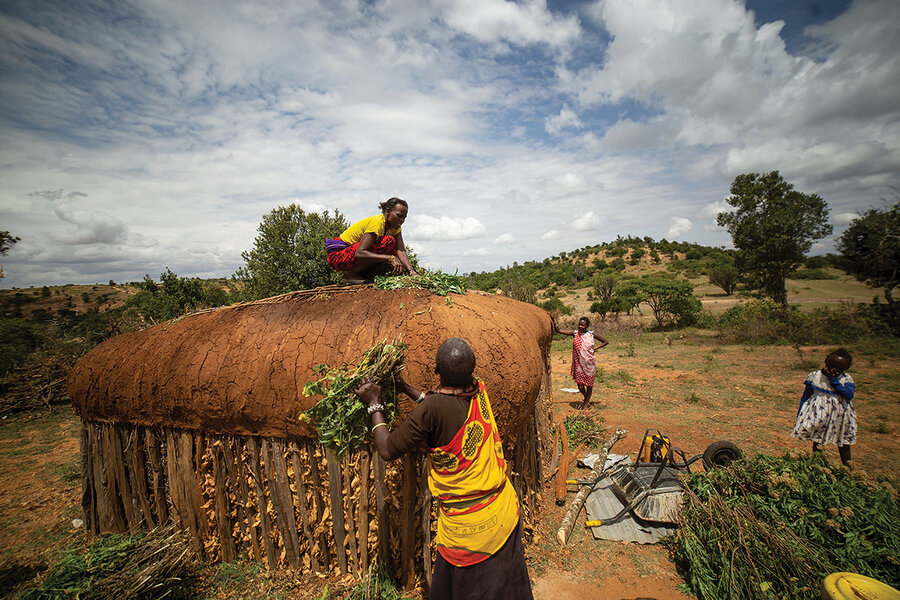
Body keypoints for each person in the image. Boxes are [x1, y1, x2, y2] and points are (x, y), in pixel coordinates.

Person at [354, 338, 533, 600]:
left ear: (437, 371)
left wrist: (374, 402)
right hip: (502, 510)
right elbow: (443, 406)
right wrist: (406, 388)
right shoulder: (478, 389)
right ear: (471, 370)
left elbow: (388, 449)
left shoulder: (432, 408)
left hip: (470, 530)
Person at [326, 197, 418, 284]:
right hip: (337, 256)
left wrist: (411, 271)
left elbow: (401, 250)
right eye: (399, 216)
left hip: (349, 255)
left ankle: (360, 273)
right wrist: (389, 258)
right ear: (387, 211)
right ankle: (350, 275)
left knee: (390, 247)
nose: (402, 220)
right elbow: (360, 252)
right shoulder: (378, 223)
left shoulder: (395, 227)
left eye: (404, 217)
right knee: (388, 242)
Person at [790, 348, 856, 468]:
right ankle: (817, 466)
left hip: (840, 415)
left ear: (845, 368)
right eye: (831, 365)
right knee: (818, 440)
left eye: (839, 368)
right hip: (820, 414)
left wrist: (835, 381)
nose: (833, 369)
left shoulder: (846, 379)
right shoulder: (815, 377)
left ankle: (848, 467)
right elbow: (806, 396)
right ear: (826, 361)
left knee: (844, 442)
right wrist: (800, 413)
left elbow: (848, 395)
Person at [553, 316, 609, 410]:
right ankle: (586, 398)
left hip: (589, 364)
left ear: (587, 326)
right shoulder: (575, 333)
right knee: (580, 385)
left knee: (589, 385)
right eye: (579, 324)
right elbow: (559, 331)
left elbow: (605, 341)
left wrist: (595, 348)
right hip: (579, 364)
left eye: (582, 325)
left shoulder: (591, 334)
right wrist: (554, 321)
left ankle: (585, 404)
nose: (580, 326)